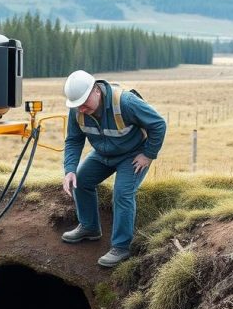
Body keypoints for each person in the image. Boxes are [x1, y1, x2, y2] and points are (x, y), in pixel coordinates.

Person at [60, 70, 166, 267]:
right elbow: (74, 140)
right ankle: (90, 227)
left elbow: (158, 124)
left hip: (133, 155)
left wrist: (148, 154)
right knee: (80, 181)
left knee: (122, 193)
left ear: (96, 91)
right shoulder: (78, 109)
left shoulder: (125, 102)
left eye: (84, 103)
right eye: (77, 105)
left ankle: (121, 247)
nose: (81, 109)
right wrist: (70, 169)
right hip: (102, 154)